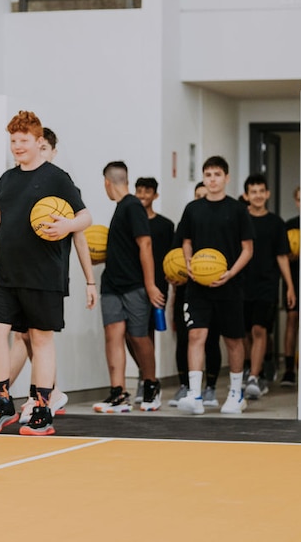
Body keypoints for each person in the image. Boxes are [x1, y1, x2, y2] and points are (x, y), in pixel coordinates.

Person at [0, 110, 91, 436]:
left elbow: (85, 217)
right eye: (13, 141)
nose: (17, 146)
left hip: (43, 275)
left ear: (40, 142)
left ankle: (42, 408)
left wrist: (68, 224)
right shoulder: (7, 179)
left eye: (23, 141)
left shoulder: (57, 178)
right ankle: (1, 403)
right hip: (3, 274)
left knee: (40, 340)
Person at [176, 155, 254, 415]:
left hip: (229, 285)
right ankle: (195, 394)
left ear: (227, 178)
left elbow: (248, 249)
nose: (212, 179)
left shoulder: (238, 209)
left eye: (217, 174)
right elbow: (186, 241)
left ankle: (235, 393)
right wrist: (188, 262)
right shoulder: (193, 209)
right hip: (197, 285)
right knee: (196, 335)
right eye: (208, 175)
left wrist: (230, 273)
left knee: (233, 340)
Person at [92, 162, 165, 413]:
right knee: (113, 335)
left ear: (107, 182)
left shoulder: (133, 206)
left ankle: (151, 385)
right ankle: (118, 393)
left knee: (138, 336)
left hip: (134, 285)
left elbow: (145, 245)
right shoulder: (121, 208)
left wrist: (150, 285)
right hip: (111, 284)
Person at [167, 182, 223, 408]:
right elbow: (173, 258)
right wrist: (173, 283)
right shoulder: (187, 221)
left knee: (211, 340)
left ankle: (210, 387)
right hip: (187, 291)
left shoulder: (219, 222)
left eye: (204, 195)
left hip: (216, 288)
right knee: (185, 339)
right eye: (198, 195)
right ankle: (187, 387)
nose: (202, 198)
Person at [241, 174, 296, 399]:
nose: (257, 195)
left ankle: (254, 376)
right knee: (244, 332)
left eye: (261, 191)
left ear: (267, 194)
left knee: (259, 329)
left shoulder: (276, 223)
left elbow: (282, 257)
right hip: (242, 284)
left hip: (267, 285)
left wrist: (290, 287)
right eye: (253, 192)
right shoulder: (240, 220)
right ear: (246, 195)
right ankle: (255, 368)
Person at [131, 176, 174, 405]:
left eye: (147, 191)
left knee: (147, 333)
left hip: (157, 286)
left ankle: (147, 380)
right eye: (139, 191)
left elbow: (171, 257)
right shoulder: (131, 221)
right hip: (133, 285)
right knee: (131, 334)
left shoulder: (165, 225)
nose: (142, 195)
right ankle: (144, 374)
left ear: (155, 195)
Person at [281, 186, 301, 386]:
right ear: (296, 202)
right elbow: (281, 255)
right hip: (293, 279)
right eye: (299, 199)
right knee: (292, 320)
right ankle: (288, 370)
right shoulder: (289, 226)